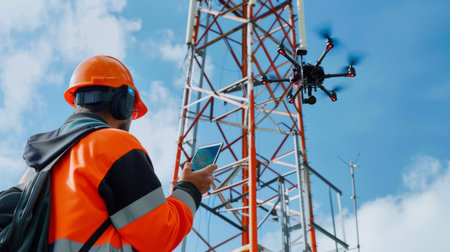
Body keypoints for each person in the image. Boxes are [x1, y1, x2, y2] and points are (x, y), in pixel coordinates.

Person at [22, 55, 216, 251]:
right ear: (124, 103)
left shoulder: (36, 166)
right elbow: (160, 236)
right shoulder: (114, 144)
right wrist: (190, 188)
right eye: (132, 110)